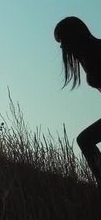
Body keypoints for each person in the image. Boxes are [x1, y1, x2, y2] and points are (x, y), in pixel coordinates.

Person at [54, 16, 101, 197]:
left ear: (73, 37)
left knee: (85, 140)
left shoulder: (96, 51)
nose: (60, 47)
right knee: (85, 140)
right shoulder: (87, 56)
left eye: (62, 40)